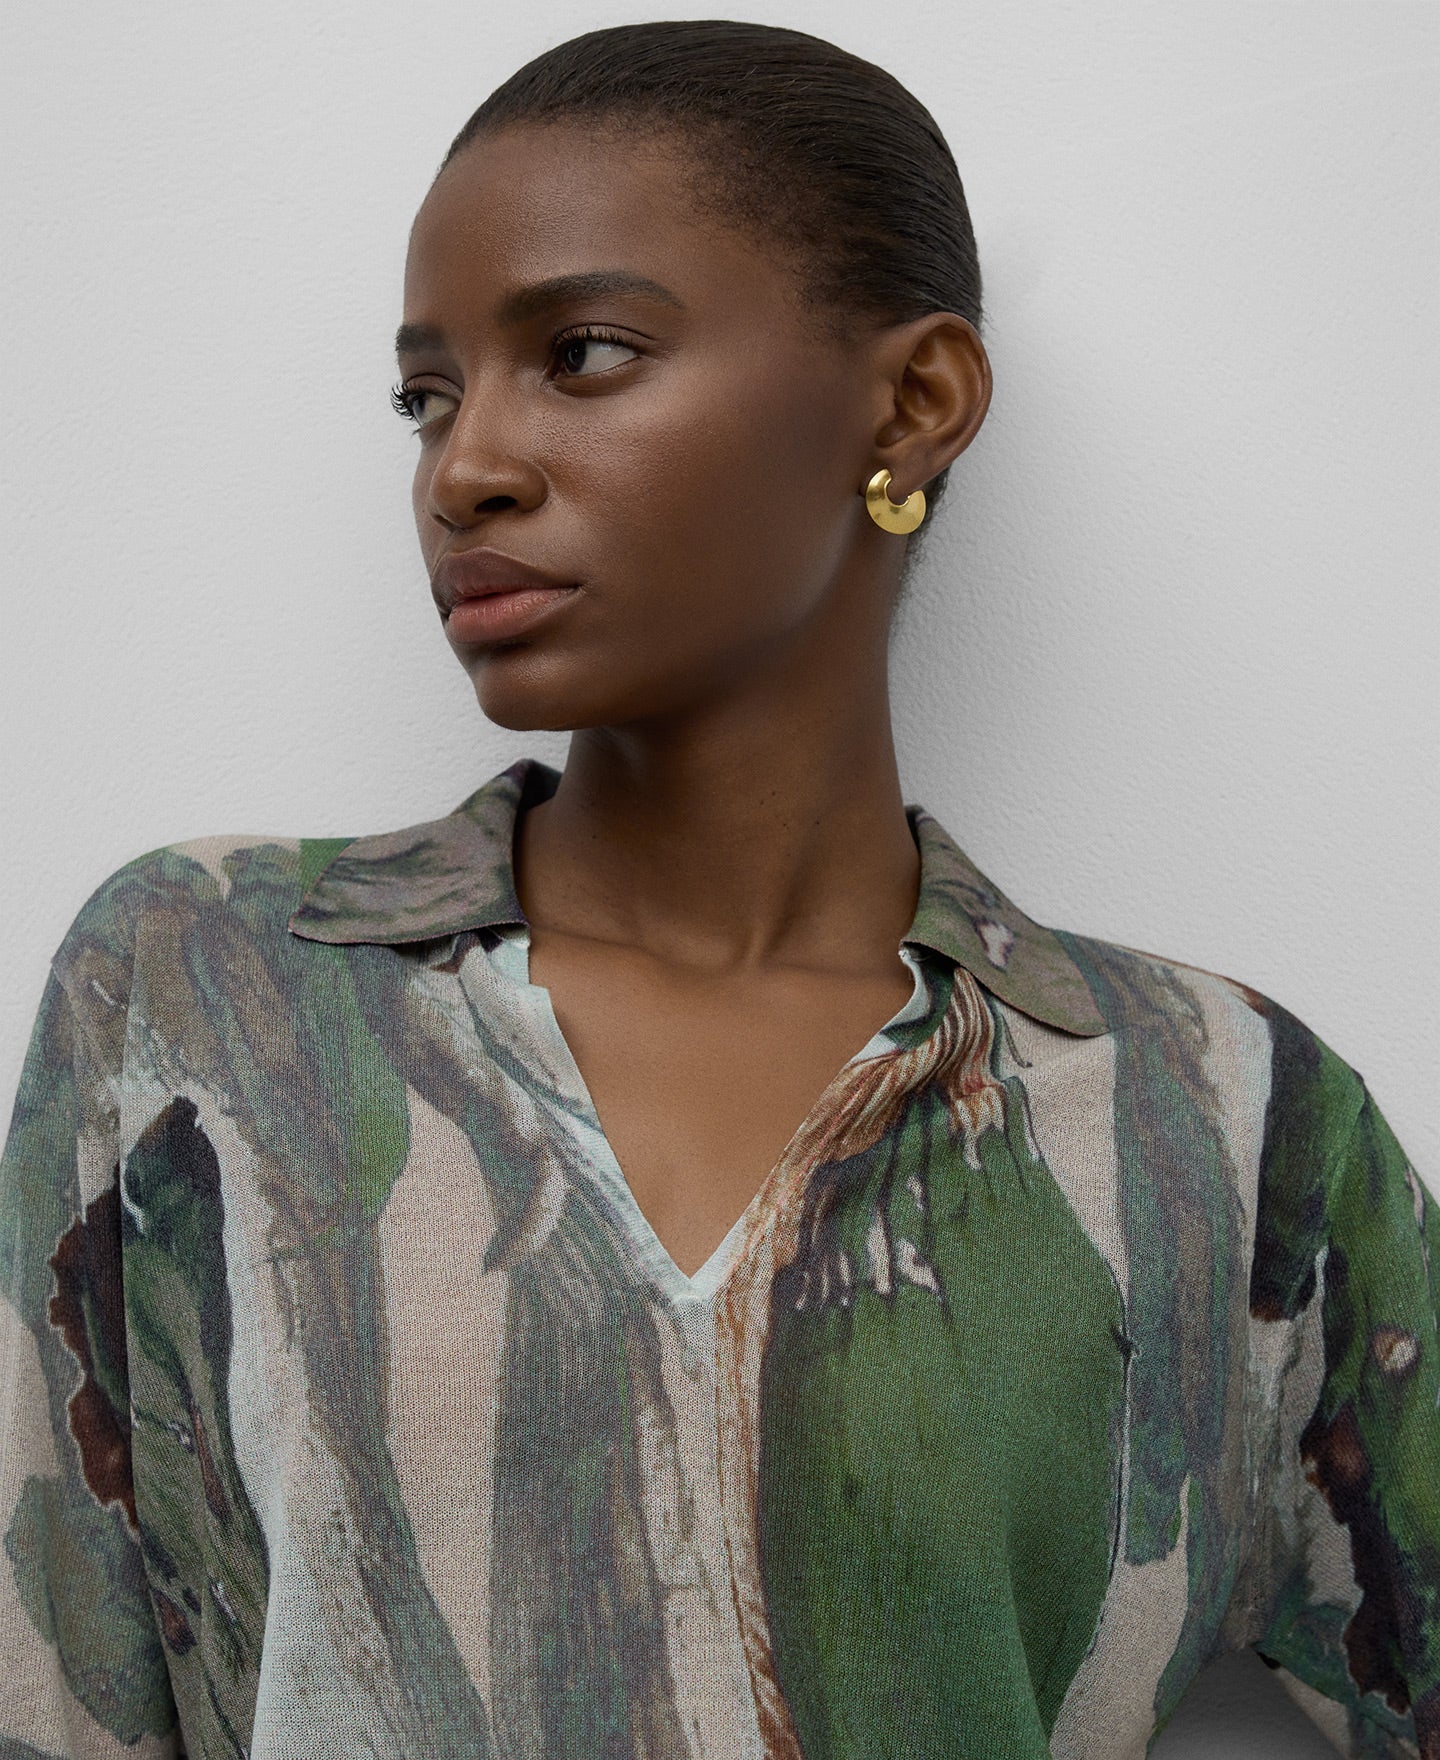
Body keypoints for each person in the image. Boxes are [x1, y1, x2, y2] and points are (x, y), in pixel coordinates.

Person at [0, 18, 1434, 1760]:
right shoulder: (214, 984)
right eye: (427, 396)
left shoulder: (1213, 1115)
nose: (464, 468)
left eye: (584, 354)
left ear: (915, 402)